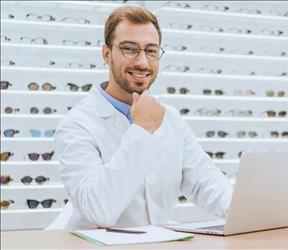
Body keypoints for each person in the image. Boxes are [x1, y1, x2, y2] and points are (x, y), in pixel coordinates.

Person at [54, 5, 233, 229]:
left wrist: (245, 211)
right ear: (107, 54)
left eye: (151, 50)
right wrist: (143, 130)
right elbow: (98, 210)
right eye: (129, 49)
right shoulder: (77, 125)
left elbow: (205, 182)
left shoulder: (171, 118)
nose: (143, 62)